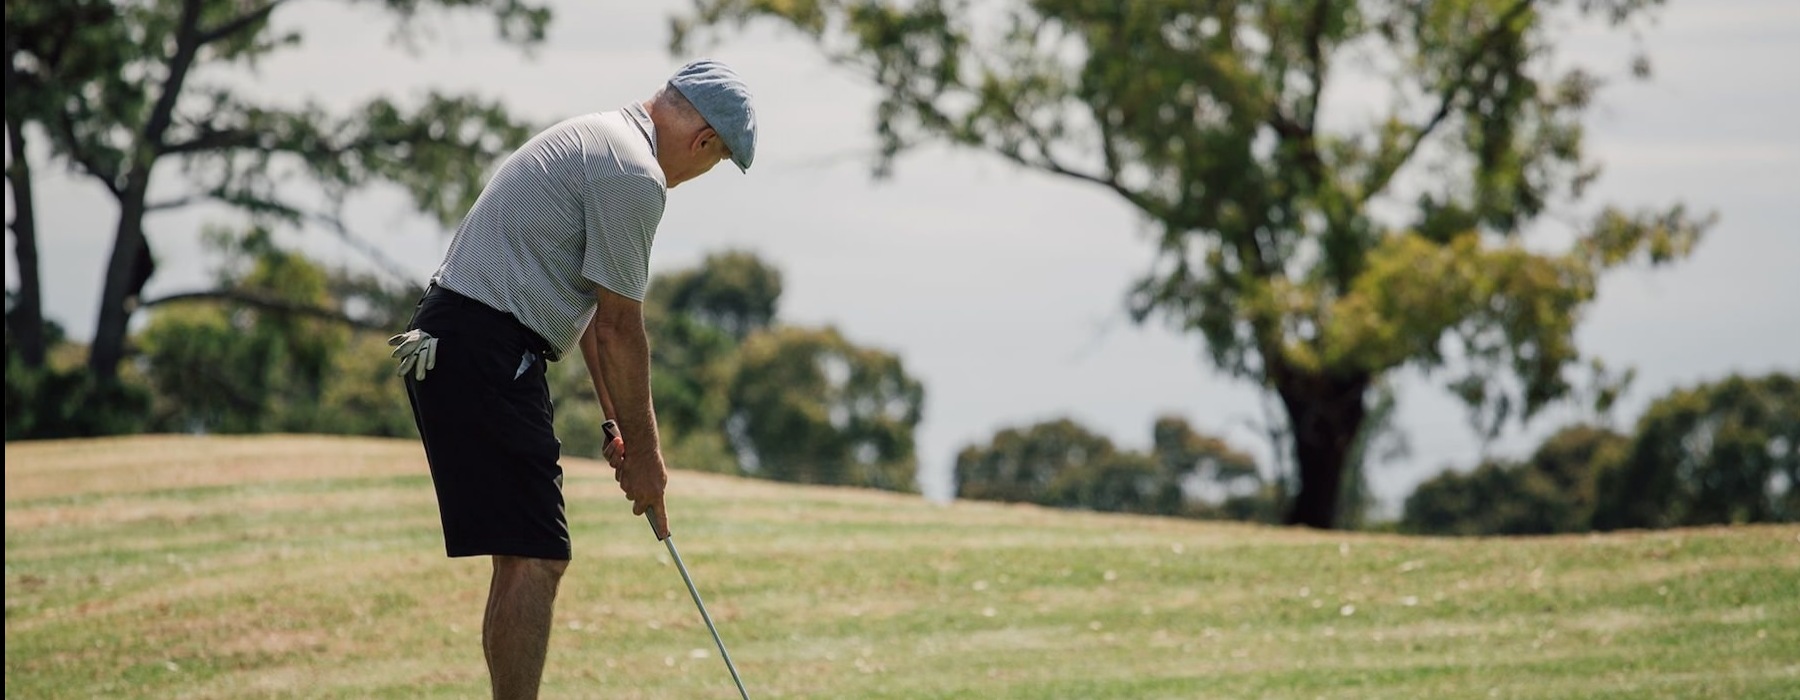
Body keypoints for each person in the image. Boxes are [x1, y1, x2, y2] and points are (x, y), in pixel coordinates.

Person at [385, 59, 756, 699]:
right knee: (537, 556)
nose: (704, 171)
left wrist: (617, 425)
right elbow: (620, 329)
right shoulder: (636, 175)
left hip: (460, 343)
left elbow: (588, 316)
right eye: (718, 160)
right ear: (704, 142)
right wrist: (648, 461)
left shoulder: (603, 137)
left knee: (524, 554)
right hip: (486, 349)